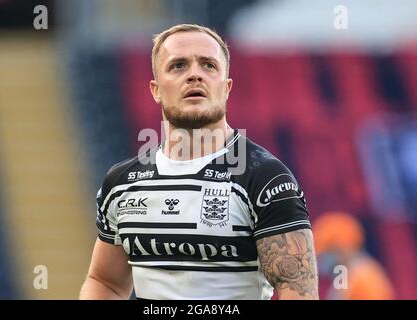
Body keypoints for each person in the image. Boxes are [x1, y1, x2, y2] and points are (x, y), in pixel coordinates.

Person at [80, 24, 318, 300]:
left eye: (208, 65)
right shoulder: (120, 184)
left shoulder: (266, 180)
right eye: (178, 66)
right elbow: (105, 282)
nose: (195, 75)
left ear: (226, 87)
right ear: (155, 90)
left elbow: (299, 293)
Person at [313, 211, 394, 300]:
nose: (321, 261)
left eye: (326, 253)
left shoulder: (364, 279)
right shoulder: (347, 275)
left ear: (342, 249)